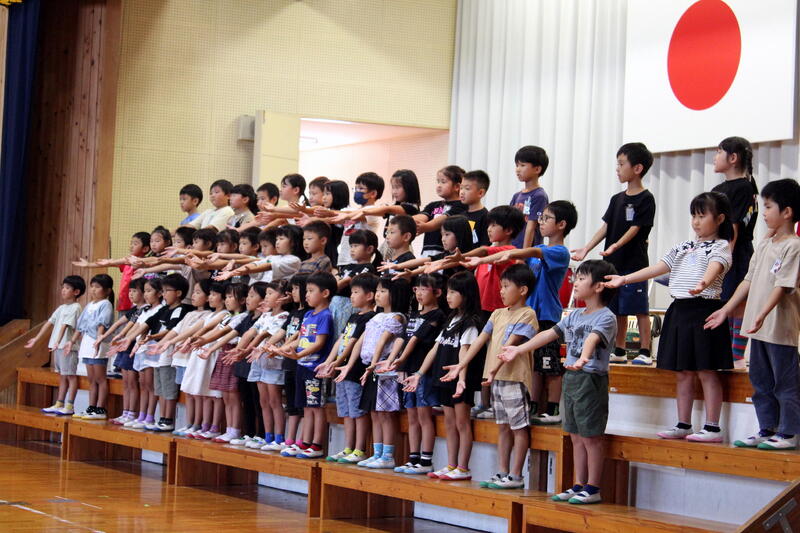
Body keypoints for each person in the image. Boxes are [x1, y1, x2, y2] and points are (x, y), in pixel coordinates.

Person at [605, 192, 734, 442]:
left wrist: (703, 283)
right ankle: (683, 424)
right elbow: (658, 268)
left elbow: (715, 267)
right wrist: (625, 279)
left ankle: (713, 427)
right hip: (680, 310)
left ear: (719, 219)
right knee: (683, 372)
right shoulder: (683, 246)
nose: (696, 221)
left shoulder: (721, 246)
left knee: (706, 371)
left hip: (705, 309)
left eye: (702, 216)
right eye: (693, 216)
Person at [501, 260, 618, 504]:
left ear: (598, 286)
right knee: (575, 435)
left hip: (591, 379)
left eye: (582, 278)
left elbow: (592, 339)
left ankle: (593, 487)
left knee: (591, 436)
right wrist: (519, 349)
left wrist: (584, 357)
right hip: (572, 378)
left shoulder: (606, 317)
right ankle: (579, 484)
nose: (575, 282)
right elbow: (548, 334)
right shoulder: (574, 315)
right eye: (576, 277)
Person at [707, 179, 800, 449]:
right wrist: (725, 309)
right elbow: (747, 281)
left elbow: (783, 285)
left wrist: (763, 313)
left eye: (769, 207)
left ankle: (789, 432)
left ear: (787, 212)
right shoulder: (765, 244)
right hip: (758, 329)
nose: (764, 212)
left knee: (785, 382)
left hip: (779, 329)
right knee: (760, 381)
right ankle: (767, 428)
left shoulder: (793, 246)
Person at [477, 200, 577, 424]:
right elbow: (511, 254)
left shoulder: (560, 251)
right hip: (529, 316)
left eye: (546, 218)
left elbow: (531, 251)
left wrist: (515, 252)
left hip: (547, 316)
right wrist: (481, 259)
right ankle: (533, 404)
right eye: (540, 218)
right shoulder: (536, 253)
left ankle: (553, 409)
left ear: (561, 224)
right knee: (534, 363)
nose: (541, 222)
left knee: (550, 364)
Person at [443, 264, 538, 488]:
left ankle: (516, 475)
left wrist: (494, 369)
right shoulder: (496, 313)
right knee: (503, 426)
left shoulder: (528, 314)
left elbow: (511, 344)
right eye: (501, 286)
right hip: (495, 379)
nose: (501, 291)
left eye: (506, 286)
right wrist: (461, 365)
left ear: (522, 290)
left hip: (514, 378)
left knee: (518, 427)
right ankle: (502, 471)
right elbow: (479, 341)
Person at [571, 142, 656, 365]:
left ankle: (645, 351)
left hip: (634, 263)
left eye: (621, 164)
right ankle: (619, 349)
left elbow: (636, 228)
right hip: (612, 264)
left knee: (639, 308)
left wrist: (616, 245)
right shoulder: (616, 199)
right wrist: (586, 248)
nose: (617, 169)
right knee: (617, 308)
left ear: (637, 168)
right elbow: (606, 227)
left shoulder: (646, 198)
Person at [403, 271, 483, 480]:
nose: (448, 296)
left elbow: (465, 351)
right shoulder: (451, 319)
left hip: (460, 381)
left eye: (453, 292)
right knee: (449, 423)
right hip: (444, 378)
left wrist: (462, 380)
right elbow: (435, 349)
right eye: (448, 292)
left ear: (466, 294)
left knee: (462, 423)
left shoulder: (471, 322)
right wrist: (419, 373)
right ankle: (451, 465)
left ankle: (463, 468)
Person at [336, 276, 411, 469]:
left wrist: (375, 363)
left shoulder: (397, 317)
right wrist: (348, 365)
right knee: (374, 413)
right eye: (377, 291)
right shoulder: (375, 317)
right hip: (371, 368)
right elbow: (359, 342)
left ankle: (388, 455)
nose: (378, 294)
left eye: (383, 291)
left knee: (386, 414)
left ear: (395, 295)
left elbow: (383, 341)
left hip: (385, 372)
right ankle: (377, 453)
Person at [381, 274, 446, 474]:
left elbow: (416, 339)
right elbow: (403, 338)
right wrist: (395, 362)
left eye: (424, 289)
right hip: (409, 371)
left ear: (437, 292)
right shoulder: (414, 315)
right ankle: (413, 457)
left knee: (424, 416)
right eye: (416, 289)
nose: (419, 293)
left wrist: (400, 360)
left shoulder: (437, 316)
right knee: (412, 416)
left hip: (423, 372)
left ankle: (426, 460)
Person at [274, 272, 337, 459]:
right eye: (306, 291)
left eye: (311, 291)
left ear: (325, 293)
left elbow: (319, 343)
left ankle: (317, 445)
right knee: (307, 407)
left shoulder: (325, 316)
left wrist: (298, 355)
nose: (306, 295)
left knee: (316, 406)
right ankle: (305, 442)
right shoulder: (309, 314)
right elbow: (300, 339)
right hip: (302, 366)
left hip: (314, 368)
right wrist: (281, 349)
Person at [317, 273, 378, 463]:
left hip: (355, 369)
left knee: (357, 410)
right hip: (342, 368)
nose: (351, 296)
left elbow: (353, 342)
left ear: (369, 295)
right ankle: (348, 448)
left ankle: (360, 449)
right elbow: (342, 339)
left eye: (356, 292)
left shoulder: (370, 317)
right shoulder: (353, 316)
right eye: (351, 292)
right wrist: (330, 361)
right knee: (346, 411)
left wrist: (338, 362)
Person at [712, 136, 760, 368]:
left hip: (735, 253)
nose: (714, 157)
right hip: (718, 251)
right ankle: (726, 353)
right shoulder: (718, 189)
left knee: (738, 302)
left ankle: (737, 355)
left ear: (733, 158)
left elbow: (735, 227)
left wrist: (725, 258)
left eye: (718, 152)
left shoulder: (744, 187)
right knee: (723, 302)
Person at [27, 275, 86, 416]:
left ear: (76, 292)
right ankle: (59, 403)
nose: (63, 290)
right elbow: (49, 323)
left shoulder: (76, 307)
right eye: (63, 287)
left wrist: (58, 342)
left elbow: (65, 326)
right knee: (62, 375)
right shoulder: (61, 308)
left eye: (67, 288)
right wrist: (36, 338)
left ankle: (69, 405)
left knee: (70, 376)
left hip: (68, 348)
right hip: (58, 347)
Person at [64, 274, 114, 419]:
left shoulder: (106, 304)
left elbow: (102, 324)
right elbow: (80, 326)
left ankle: (100, 409)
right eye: (92, 286)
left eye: (97, 287)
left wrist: (98, 340)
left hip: (98, 343)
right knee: (91, 379)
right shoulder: (90, 305)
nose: (93, 290)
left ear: (107, 290)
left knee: (100, 378)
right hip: (87, 343)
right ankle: (91, 407)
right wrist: (72, 341)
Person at [98, 278, 147, 425]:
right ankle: (125, 412)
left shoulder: (145, 309)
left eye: (134, 291)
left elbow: (132, 327)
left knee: (132, 382)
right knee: (125, 382)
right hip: (125, 344)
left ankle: (132, 413)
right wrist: (104, 336)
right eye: (130, 291)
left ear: (144, 293)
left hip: (132, 345)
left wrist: (121, 337)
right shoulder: (134, 309)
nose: (130, 294)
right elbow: (119, 324)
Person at [414, 165, 468, 257]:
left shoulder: (461, 205)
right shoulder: (433, 205)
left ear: (457, 187)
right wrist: (407, 223)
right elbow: (421, 217)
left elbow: (443, 219)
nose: (439, 185)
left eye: (443, 182)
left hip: (446, 252)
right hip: (427, 251)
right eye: (438, 182)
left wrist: (426, 226)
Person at [509, 145, 550, 249]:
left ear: (537, 169)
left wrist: (524, 253)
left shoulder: (539, 196)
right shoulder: (517, 195)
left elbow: (531, 227)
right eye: (517, 165)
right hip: (513, 248)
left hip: (528, 251)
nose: (518, 169)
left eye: (522, 165)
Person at [461, 170, 491, 246]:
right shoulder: (460, 214)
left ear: (480, 193)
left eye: (467, 188)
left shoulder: (486, 217)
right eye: (461, 188)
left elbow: (485, 246)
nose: (462, 192)